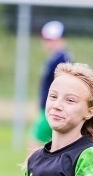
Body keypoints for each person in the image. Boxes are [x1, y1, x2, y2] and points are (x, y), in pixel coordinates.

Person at [29, 21, 72, 150]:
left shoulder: (62, 59)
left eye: (52, 39)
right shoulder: (53, 58)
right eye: (46, 39)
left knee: (35, 144)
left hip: (52, 108)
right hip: (47, 107)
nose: (48, 43)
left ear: (61, 39)